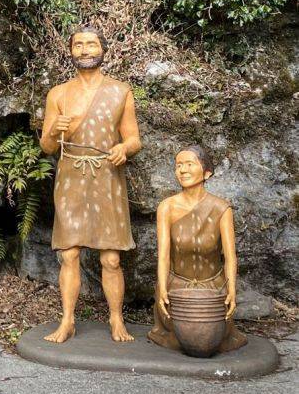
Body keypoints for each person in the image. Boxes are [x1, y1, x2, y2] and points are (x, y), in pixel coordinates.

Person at [39, 27, 142, 343]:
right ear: (71, 51)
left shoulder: (120, 91)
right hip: (70, 176)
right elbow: (47, 147)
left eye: (91, 44)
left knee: (111, 258)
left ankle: (116, 319)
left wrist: (123, 149)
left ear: (103, 49)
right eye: (79, 45)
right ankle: (67, 320)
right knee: (69, 255)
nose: (85, 50)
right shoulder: (58, 94)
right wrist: (55, 129)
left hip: (107, 177)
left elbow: (134, 138)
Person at [148, 145, 247, 352]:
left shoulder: (221, 208)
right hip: (177, 286)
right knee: (181, 338)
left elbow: (230, 257)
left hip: (213, 288)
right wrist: (163, 289)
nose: (182, 170)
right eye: (178, 165)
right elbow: (164, 256)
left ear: (206, 172)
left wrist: (231, 291)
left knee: (213, 339)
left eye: (189, 164)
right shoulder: (167, 207)